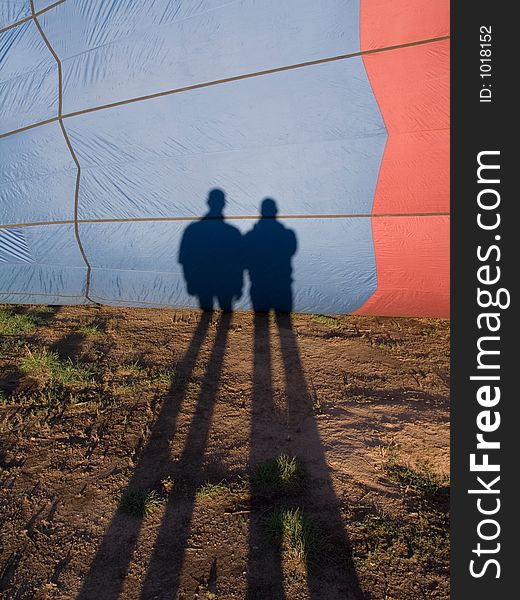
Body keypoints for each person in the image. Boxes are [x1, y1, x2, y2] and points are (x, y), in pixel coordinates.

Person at [178, 189, 243, 311]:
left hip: (205, 281)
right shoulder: (232, 232)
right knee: (224, 316)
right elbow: (239, 261)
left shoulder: (193, 230)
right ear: (224, 204)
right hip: (223, 281)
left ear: (208, 202)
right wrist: (239, 285)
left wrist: (190, 281)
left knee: (207, 316)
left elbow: (186, 259)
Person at [244, 198, 297, 313]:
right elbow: (291, 250)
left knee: (260, 322)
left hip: (260, 281)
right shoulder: (287, 234)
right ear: (276, 211)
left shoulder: (252, 235)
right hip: (281, 281)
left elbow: (245, 254)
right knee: (282, 318)